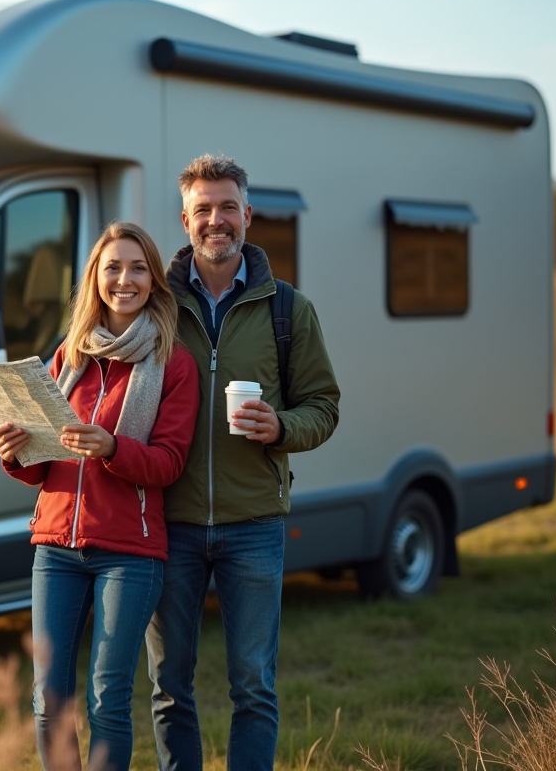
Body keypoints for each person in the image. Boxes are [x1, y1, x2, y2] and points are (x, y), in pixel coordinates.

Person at [146, 154, 341, 771]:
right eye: (203, 209)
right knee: (169, 687)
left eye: (227, 206)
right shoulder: (155, 309)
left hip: (254, 524)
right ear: (185, 220)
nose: (216, 220)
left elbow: (325, 406)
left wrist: (282, 426)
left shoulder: (289, 310)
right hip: (168, 522)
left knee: (253, 687)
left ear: (248, 215)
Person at [0, 222, 200, 771]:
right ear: (95, 278)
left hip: (128, 554)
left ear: (154, 281)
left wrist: (112, 446)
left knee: (108, 699)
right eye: (113, 267)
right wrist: (15, 451)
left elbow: (169, 463)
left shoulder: (174, 363)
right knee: (47, 698)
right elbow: (45, 465)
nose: (124, 280)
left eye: (137, 268)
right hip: (55, 547)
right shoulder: (69, 356)